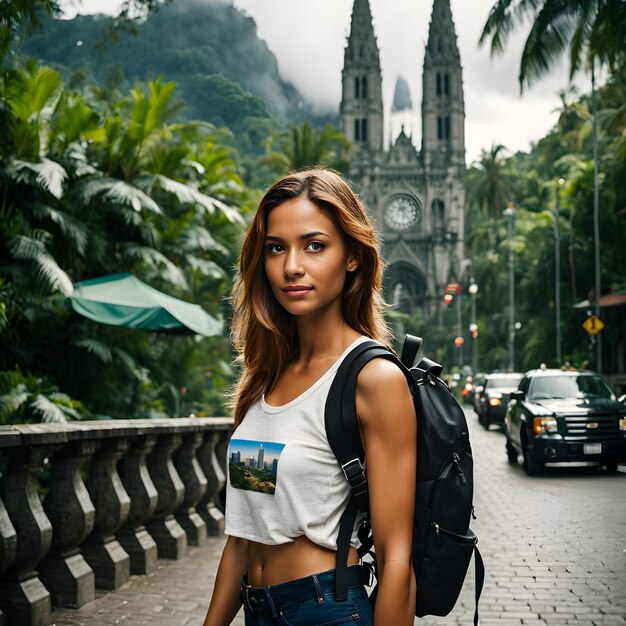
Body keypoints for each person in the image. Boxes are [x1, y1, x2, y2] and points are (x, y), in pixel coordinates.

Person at [203, 168, 416, 626]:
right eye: (276, 247)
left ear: (353, 256)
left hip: (326, 609)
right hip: (258, 609)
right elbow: (245, 536)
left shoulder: (373, 377)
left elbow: (398, 560)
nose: (291, 266)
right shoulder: (267, 376)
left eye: (314, 245)